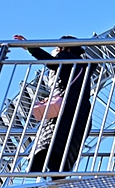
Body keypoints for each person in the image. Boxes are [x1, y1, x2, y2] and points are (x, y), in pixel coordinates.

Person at [13, 35, 92, 177]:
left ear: (64, 47)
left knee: (50, 140)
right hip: (82, 110)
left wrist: (31, 48)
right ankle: (58, 173)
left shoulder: (66, 57)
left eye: (56, 47)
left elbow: (52, 63)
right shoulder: (85, 65)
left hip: (66, 108)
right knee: (67, 145)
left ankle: (37, 168)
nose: (54, 51)